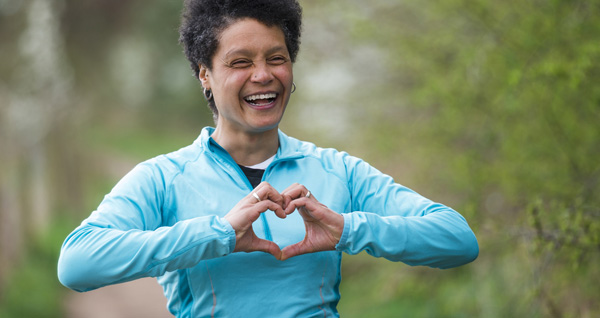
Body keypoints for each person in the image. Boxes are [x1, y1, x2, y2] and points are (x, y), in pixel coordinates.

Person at [57, 0, 479, 317]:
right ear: (204, 73)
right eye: (241, 62)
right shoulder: (164, 178)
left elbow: (457, 240)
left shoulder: (337, 170)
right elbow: (78, 263)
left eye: (276, 58)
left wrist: (349, 229)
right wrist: (217, 235)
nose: (263, 75)